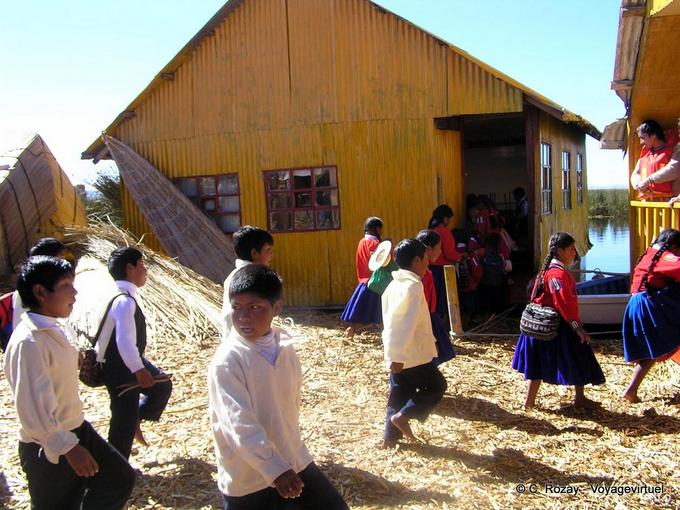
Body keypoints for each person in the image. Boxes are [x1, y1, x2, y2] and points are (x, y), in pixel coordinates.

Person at [208, 264, 348, 510]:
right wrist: (273, 468)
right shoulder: (228, 360)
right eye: (237, 308)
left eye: (254, 308)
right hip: (249, 476)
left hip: (293, 458)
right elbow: (238, 424)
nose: (243, 317)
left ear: (277, 307)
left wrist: (285, 462)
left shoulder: (284, 347)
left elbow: (288, 408)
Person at [4, 256, 135, 509]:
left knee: (119, 478)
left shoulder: (55, 328)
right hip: (49, 443)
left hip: (76, 427)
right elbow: (32, 408)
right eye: (66, 285)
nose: (74, 292)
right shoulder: (29, 342)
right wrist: (67, 447)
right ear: (40, 292)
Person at [511, 232, 605, 409]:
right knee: (579, 356)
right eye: (570, 249)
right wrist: (577, 328)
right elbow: (563, 302)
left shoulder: (547, 270)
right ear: (560, 251)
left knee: (536, 363)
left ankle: (532, 402)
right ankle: (575, 399)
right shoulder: (557, 275)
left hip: (541, 324)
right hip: (556, 326)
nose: (574, 253)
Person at [97, 247, 173, 460]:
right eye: (141, 264)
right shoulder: (124, 301)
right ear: (130, 268)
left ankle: (136, 418)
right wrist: (139, 370)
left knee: (162, 385)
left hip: (123, 362)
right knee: (122, 418)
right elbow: (125, 342)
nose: (145, 269)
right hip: (120, 367)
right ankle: (115, 467)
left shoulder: (121, 295)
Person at [381, 239, 448, 448]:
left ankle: (390, 438)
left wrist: (394, 355)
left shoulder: (393, 285)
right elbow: (402, 322)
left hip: (401, 354)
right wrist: (398, 356)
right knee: (437, 385)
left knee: (400, 392)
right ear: (417, 260)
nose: (428, 263)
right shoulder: (412, 286)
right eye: (426, 259)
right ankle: (404, 416)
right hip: (411, 355)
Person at [622, 228, 680, 403]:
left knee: (652, 349)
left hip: (637, 305)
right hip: (648, 305)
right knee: (662, 342)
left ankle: (631, 390)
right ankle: (630, 390)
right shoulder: (665, 256)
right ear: (673, 246)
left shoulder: (650, 252)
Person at [221, 225, 274, 338]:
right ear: (254, 253)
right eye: (268, 250)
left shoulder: (234, 275)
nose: (271, 254)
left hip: (235, 339)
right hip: (246, 342)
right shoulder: (254, 278)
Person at [341, 216, 384, 339]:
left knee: (369, 313)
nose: (382, 232)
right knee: (379, 313)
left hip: (364, 282)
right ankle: (351, 331)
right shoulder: (376, 244)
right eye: (381, 229)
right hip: (377, 283)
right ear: (376, 229)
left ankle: (351, 332)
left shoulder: (362, 242)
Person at [416, 230, 455, 365]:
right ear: (428, 249)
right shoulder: (422, 275)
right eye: (439, 248)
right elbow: (423, 303)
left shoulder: (427, 272)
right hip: (425, 319)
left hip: (430, 316)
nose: (440, 252)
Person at [427, 205, 462, 331]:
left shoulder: (431, 230)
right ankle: (444, 329)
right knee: (445, 301)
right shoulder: (444, 232)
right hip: (444, 271)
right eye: (449, 219)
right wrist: (461, 256)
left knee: (433, 301)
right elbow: (449, 253)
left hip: (431, 270)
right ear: (445, 218)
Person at [630, 120, 675, 200]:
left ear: (653, 135)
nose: (641, 142)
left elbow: (673, 170)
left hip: (665, 203)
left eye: (642, 138)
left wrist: (649, 180)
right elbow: (635, 174)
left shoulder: (672, 152)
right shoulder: (645, 154)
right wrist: (638, 185)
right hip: (646, 204)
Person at [478, 233, 509, 315]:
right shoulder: (500, 257)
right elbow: (505, 268)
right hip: (497, 284)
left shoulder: (481, 257)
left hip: (485, 284)